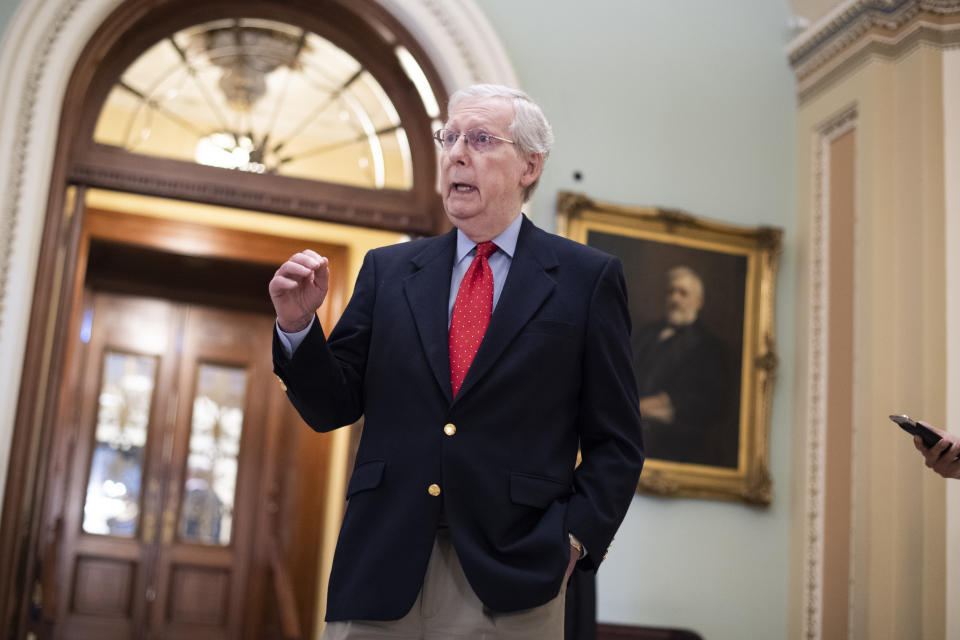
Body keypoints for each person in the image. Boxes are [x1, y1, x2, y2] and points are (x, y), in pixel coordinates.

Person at [269, 84, 644, 638]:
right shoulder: (389, 271)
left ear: (529, 166)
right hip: (382, 562)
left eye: (481, 139)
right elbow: (332, 407)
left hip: (513, 575)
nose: (456, 153)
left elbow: (618, 442)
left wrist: (573, 540)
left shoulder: (587, 280)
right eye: (450, 138)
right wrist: (299, 328)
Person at [632, 266, 736, 467]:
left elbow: (711, 402)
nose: (675, 299)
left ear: (699, 302)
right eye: (671, 292)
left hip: (677, 443)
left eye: (683, 293)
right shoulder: (645, 334)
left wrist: (663, 402)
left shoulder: (710, 347)